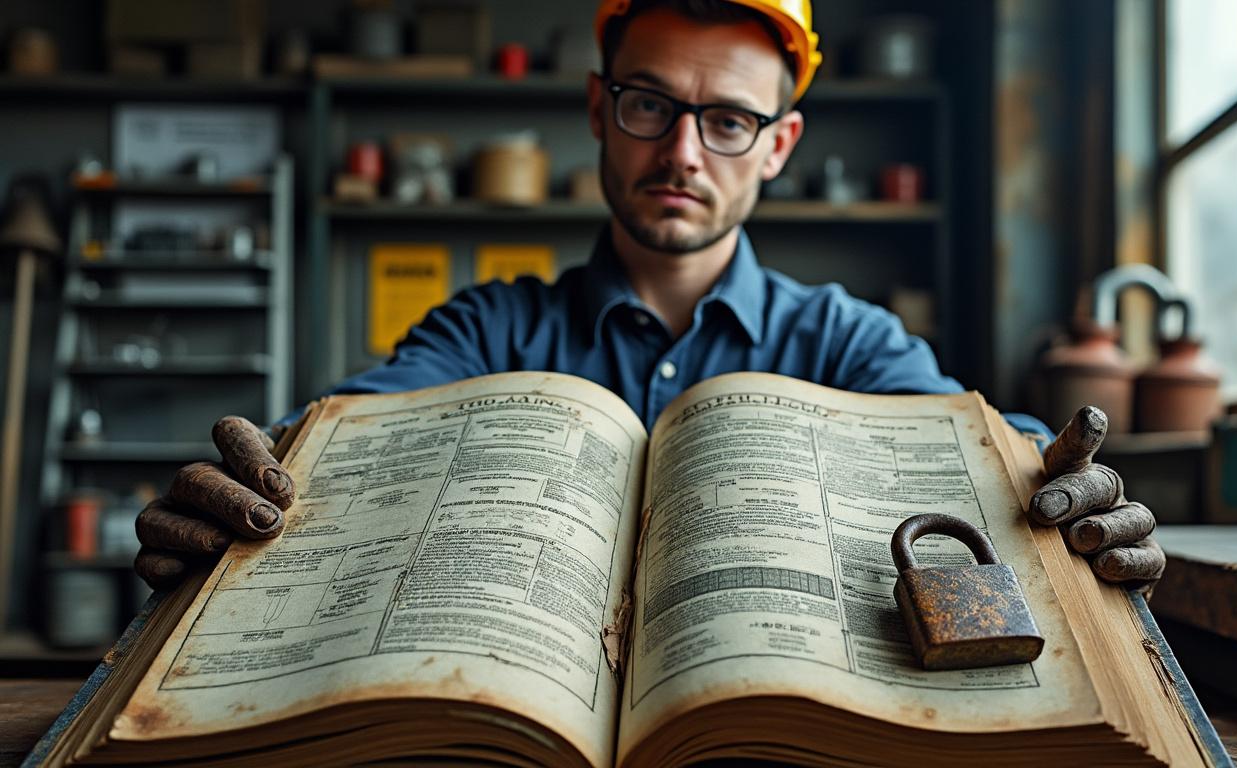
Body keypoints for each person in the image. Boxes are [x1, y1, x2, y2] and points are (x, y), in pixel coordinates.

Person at [134, 0, 1164, 591]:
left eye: (725, 121)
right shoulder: (488, 328)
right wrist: (262, 478)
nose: (680, 151)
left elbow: (977, 446)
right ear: (598, 107)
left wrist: (1057, 492)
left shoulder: (848, 342)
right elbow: (345, 436)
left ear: (779, 147)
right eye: (648, 104)